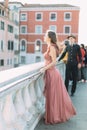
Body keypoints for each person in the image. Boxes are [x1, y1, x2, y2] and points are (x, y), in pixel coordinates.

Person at [40, 30, 76, 124]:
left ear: (49, 37)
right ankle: (53, 115)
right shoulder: (49, 46)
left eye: (45, 35)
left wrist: (44, 69)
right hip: (51, 73)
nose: (44, 36)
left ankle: (54, 116)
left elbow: (54, 62)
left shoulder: (51, 47)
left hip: (52, 74)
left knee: (53, 96)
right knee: (52, 96)